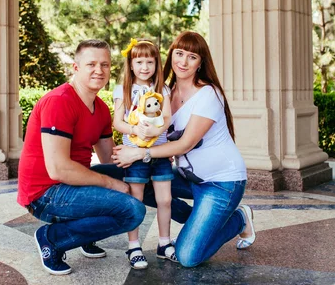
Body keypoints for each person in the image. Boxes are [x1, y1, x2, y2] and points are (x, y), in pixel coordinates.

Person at [112, 31, 256, 268]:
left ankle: (239, 218)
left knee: (188, 256)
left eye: (192, 57)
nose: (183, 61)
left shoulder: (209, 94)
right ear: (170, 57)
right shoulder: (163, 92)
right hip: (190, 177)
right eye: (179, 54)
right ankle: (203, 223)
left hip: (221, 182)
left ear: (201, 63)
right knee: (140, 184)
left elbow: (184, 144)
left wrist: (140, 153)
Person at [17, 40, 145, 276]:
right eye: (92, 64)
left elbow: (109, 158)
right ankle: (52, 238)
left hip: (73, 182)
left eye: (105, 64)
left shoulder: (101, 109)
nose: (99, 70)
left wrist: (145, 152)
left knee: (142, 174)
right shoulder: (59, 102)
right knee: (132, 211)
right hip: (45, 192)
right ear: (76, 68)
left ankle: (184, 228)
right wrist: (112, 184)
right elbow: (58, 170)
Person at [112, 38, 175, 269]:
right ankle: (134, 246)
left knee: (165, 199)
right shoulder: (123, 89)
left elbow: (166, 118)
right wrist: (134, 129)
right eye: (139, 62)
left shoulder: (162, 90)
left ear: (157, 64)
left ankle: (164, 243)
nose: (145, 67)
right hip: (134, 153)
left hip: (158, 154)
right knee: (136, 200)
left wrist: (156, 130)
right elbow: (118, 122)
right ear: (130, 64)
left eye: (150, 62)